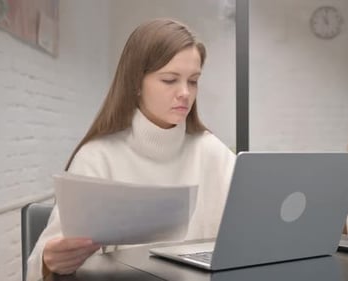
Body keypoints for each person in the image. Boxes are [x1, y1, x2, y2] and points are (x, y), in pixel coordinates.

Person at [26, 18, 236, 281]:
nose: (185, 93)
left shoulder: (212, 152)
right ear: (136, 83)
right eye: (170, 80)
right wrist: (51, 260)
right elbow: (43, 262)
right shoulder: (97, 157)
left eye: (193, 81)